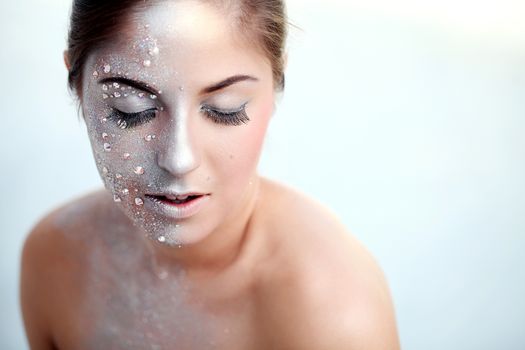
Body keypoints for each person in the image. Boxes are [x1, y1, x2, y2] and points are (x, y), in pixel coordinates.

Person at [20, 1, 400, 349]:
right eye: (130, 108)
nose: (179, 159)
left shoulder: (333, 312)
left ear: (274, 86)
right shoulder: (56, 259)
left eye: (225, 109)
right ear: (77, 84)